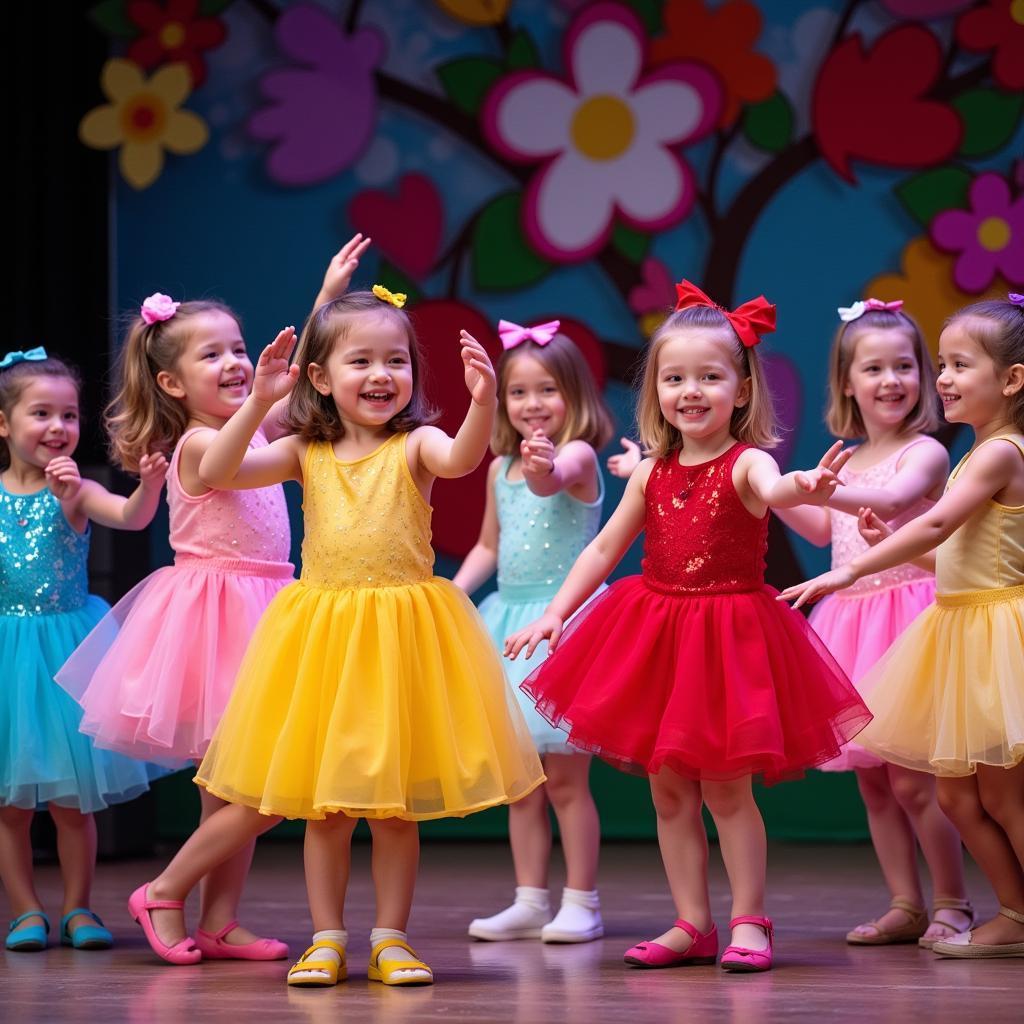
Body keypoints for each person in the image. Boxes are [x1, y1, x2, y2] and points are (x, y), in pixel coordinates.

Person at [127, 289, 544, 986]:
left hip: (400, 640)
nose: (381, 375)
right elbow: (216, 473)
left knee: (391, 810)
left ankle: (391, 939)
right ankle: (327, 938)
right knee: (325, 810)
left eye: (396, 361)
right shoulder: (303, 450)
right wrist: (259, 401)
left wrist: (483, 401)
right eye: (361, 361)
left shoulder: (415, 445)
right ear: (320, 377)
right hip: (325, 642)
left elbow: (462, 459)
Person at [506, 281, 871, 973]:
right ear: (657, 393)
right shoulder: (651, 471)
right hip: (658, 633)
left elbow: (777, 489)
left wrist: (806, 489)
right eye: (675, 378)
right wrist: (558, 612)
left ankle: (749, 920)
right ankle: (692, 922)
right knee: (668, 789)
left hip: (728, 639)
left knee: (727, 789)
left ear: (740, 390)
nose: (690, 391)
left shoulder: (748, 462)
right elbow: (605, 548)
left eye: (709, 376)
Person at [780, 296, 1024, 959]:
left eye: (912, 366)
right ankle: (919, 904)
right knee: (902, 786)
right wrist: (776, 487)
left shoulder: (950, 453)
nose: (900, 380)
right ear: (847, 383)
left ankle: (960, 902)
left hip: (939, 624)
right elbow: (838, 528)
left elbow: (912, 512)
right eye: (875, 369)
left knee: (945, 785)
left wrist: (832, 516)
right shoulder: (864, 458)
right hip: (891, 624)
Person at [0, 348, 166, 952]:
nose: (57, 427)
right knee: (10, 807)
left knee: (74, 802)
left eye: (68, 416)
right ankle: (24, 910)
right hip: (7, 657)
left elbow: (129, 516)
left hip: (70, 655)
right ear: (4, 424)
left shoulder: (74, 491)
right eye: (40, 413)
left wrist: (148, 485)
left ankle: (77, 908)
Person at [458, 321, 613, 944]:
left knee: (568, 782)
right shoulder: (499, 469)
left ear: (573, 397)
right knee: (523, 784)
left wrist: (544, 463)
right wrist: (454, 590)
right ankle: (529, 899)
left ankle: (583, 901)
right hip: (509, 627)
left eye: (547, 390)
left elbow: (553, 478)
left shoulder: (576, 456)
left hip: (565, 625)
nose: (532, 405)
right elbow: (489, 545)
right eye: (518, 393)